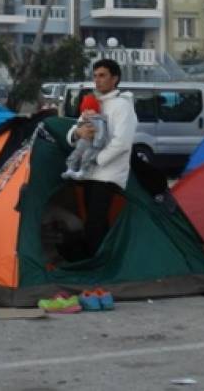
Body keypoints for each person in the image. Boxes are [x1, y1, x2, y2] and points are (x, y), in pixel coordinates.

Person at [67, 59, 137, 257]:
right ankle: (100, 259)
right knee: (93, 219)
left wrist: (95, 159)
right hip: (90, 174)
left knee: (95, 221)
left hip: (107, 175)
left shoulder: (122, 106)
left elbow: (122, 143)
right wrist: (77, 134)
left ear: (114, 79)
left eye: (102, 75)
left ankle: (96, 264)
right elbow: (75, 130)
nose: (97, 80)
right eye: (95, 75)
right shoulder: (93, 103)